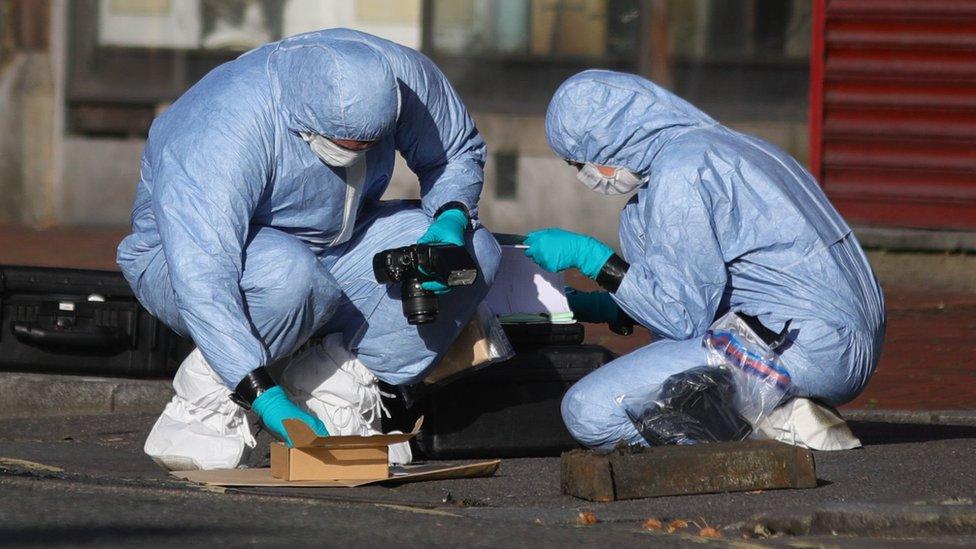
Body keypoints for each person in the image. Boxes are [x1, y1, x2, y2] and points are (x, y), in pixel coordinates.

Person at [117, 29, 501, 470]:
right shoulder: (221, 128)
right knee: (289, 276)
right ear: (303, 123)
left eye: (370, 145)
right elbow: (203, 273)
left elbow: (454, 152)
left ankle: (332, 384)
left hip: (331, 245)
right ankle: (208, 398)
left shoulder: (405, 80)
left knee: (473, 253)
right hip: (186, 262)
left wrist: (450, 218)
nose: (358, 155)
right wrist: (263, 394)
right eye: (344, 147)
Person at [523, 70, 885, 451]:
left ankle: (767, 424)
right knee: (636, 221)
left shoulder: (681, 172)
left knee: (589, 411)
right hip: (830, 337)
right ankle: (769, 404)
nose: (586, 175)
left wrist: (592, 258)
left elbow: (682, 319)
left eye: (581, 162)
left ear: (611, 139)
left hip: (800, 346)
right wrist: (606, 307)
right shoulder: (729, 148)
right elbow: (707, 278)